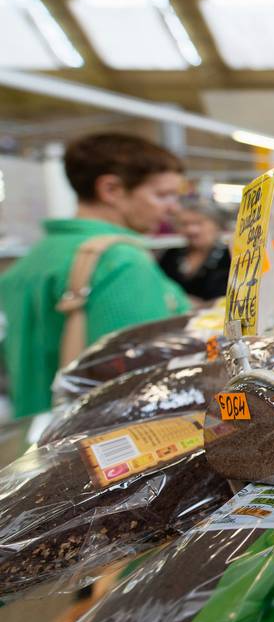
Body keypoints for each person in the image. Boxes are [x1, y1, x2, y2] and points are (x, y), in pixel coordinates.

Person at [0, 133, 190, 417]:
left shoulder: (33, 259)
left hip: (38, 431)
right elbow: (141, 385)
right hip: (103, 441)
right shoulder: (121, 261)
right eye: (162, 195)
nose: (173, 207)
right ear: (111, 189)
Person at [158, 200, 232, 301]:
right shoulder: (170, 255)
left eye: (199, 223)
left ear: (216, 225)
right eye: (184, 224)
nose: (191, 230)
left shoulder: (229, 256)